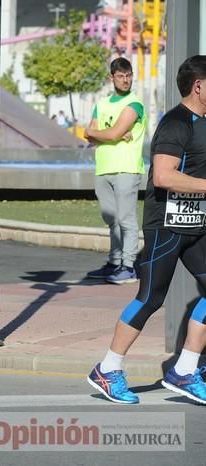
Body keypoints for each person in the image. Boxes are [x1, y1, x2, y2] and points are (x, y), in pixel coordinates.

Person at [87, 55, 206, 405]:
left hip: (197, 225)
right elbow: (164, 176)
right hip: (166, 227)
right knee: (150, 297)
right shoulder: (175, 123)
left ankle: (184, 369)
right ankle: (108, 369)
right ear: (199, 86)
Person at [84, 57, 146, 284]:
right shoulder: (101, 104)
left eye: (129, 76)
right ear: (111, 78)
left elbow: (102, 134)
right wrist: (113, 133)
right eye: (120, 76)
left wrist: (102, 133)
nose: (125, 80)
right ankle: (114, 262)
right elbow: (87, 134)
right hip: (104, 168)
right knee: (111, 219)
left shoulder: (134, 104)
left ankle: (128, 267)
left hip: (126, 168)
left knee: (126, 219)